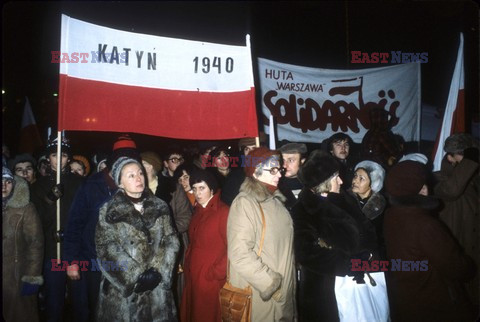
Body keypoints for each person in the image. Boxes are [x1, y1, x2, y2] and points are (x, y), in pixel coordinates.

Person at [291, 150, 383, 322]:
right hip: (325, 289)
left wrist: (368, 254)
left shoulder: (346, 199)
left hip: (358, 284)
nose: (341, 181)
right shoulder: (302, 210)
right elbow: (306, 252)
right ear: (323, 182)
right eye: (335, 177)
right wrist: (346, 264)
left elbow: (368, 230)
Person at [384, 160, 477, 321]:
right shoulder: (425, 224)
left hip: (405, 300)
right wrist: (470, 266)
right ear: (419, 188)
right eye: (423, 183)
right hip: (433, 303)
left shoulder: (390, 215)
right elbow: (455, 266)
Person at [63, 135, 140, 322]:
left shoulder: (137, 187)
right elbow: (74, 224)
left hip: (124, 264)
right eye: (121, 158)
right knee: (90, 310)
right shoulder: (91, 185)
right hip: (92, 261)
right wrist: (71, 260)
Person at [95, 156, 180, 321]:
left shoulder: (160, 206)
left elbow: (171, 240)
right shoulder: (109, 211)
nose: (139, 178)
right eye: (131, 175)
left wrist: (159, 272)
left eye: (140, 173)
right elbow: (106, 248)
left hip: (157, 290)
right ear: (120, 183)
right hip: (124, 293)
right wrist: (136, 275)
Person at [227, 147, 296, 321]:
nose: (279, 174)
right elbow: (240, 254)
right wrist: (272, 285)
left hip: (284, 293)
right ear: (256, 173)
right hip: (262, 295)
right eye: (273, 170)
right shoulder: (245, 203)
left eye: (279, 169)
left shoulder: (276, 201)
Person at [30, 136, 84, 322]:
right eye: (54, 154)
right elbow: (35, 222)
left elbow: (84, 218)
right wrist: (49, 200)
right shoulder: (38, 187)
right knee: (54, 302)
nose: (58, 158)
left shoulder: (79, 184)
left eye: (63, 155)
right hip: (53, 253)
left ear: (68, 159)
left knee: (80, 303)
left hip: (76, 253)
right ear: (48, 158)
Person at [433, 133, 479, 305]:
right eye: (463, 155)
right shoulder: (438, 177)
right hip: (456, 249)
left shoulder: (475, 180)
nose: (451, 158)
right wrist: (470, 161)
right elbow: (452, 190)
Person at [180, 169, 229, 322]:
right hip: (194, 277)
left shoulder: (223, 212)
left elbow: (233, 248)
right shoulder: (198, 211)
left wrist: (216, 272)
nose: (197, 193)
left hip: (211, 281)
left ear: (212, 188)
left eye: (202, 188)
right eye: (194, 188)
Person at [3, 167, 44, 322]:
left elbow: (36, 245)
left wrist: (31, 277)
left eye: (8, 181)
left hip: (15, 278)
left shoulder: (26, 209)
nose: (3, 186)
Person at [348, 160, 387, 257]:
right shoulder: (343, 199)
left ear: (373, 183)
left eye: (361, 178)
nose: (355, 180)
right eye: (355, 176)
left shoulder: (381, 205)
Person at [278, 142, 307, 210]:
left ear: (302, 162)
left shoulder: (313, 185)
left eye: (290, 160)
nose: (284, 165)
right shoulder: (275, 186)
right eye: (283, 160)